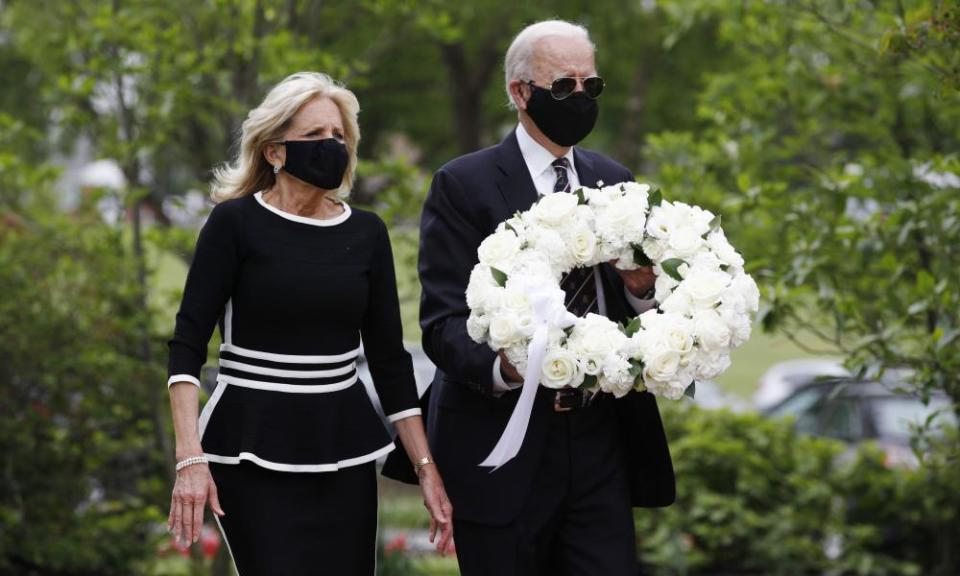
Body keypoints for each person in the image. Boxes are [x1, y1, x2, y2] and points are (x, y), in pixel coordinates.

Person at [397, 20, 675, 575]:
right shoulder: (463, 185)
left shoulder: (614, 181)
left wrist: (645, 292)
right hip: (504, 440)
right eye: (564, 87)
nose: (580, 98)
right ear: (520, 93)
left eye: (590, 86)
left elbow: (638, 312)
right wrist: (511, 366)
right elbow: (444, 324)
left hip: (600, 439)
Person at [165, 71, 453, 574]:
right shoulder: (234, 224)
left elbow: (390, 362)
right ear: (274, 151)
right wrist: (190, 457)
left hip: (343, 444)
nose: (331, 146)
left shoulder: (366, 233)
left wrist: (427, 470)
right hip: (247, 444)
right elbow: (188, 343)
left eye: (339, 136)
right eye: (315, 136)